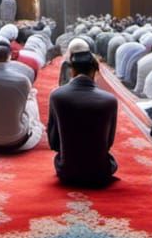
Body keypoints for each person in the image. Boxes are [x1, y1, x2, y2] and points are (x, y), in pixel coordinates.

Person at [47, 50, 118, 187]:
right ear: (95, 71)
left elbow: (53, 141)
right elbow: (109, 141)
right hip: (99, 172)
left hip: (66, 170)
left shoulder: (57, 96)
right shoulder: (109, 100)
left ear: (72, 71)